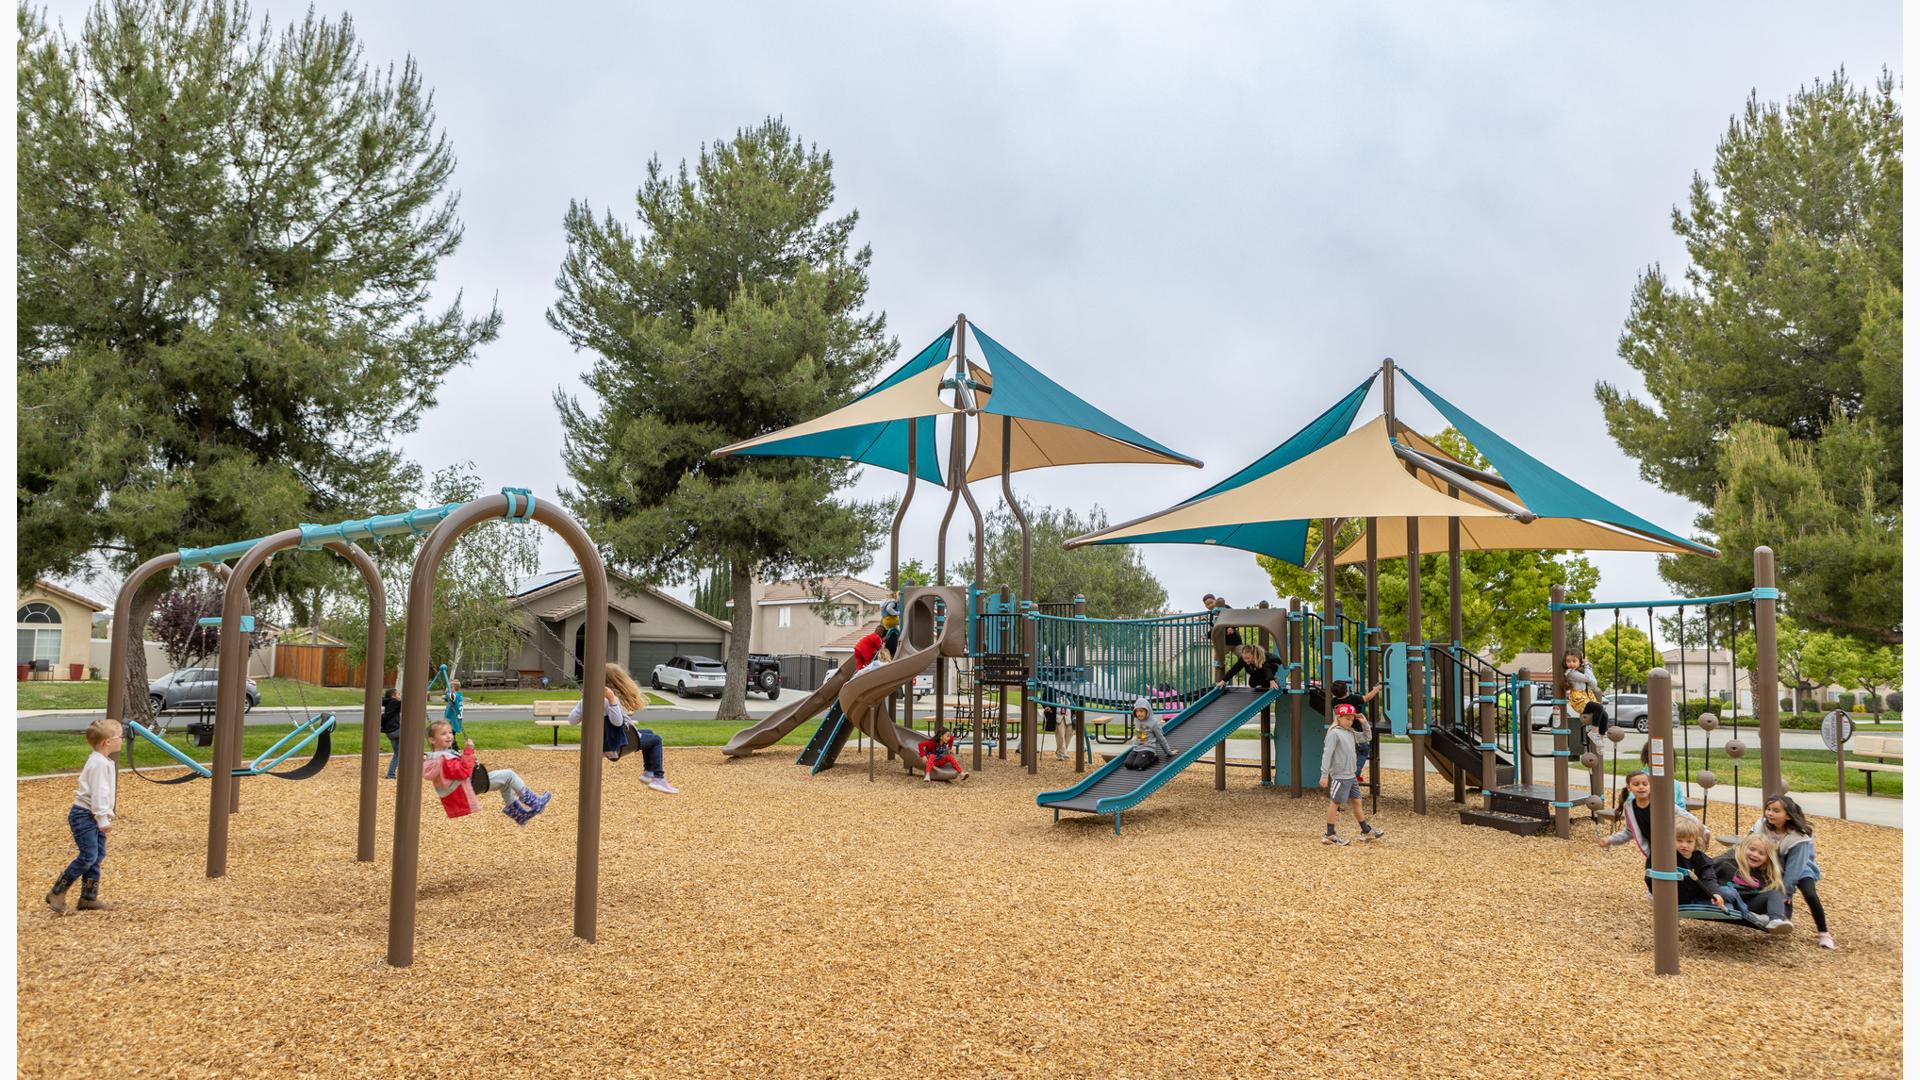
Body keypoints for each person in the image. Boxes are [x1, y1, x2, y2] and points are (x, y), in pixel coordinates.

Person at [46, 719, 122, 913]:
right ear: (107, 742)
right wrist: (102, 818)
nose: (122, 740)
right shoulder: (98, 765)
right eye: (119, 737)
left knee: (97, 855)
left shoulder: (103, 761)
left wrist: (104, 815)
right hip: (85, 815)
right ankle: (57, 892)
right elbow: (98, 794)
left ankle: (88, 898)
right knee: (88, 856)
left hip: (92, 814)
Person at [568, 663, 676, 793]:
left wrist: (582, 703)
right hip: (614, 746)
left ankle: (648, 773)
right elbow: (617, 723)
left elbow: (572, 720)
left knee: (649, 733)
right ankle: (658, 777)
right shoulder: (609, 699)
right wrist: (613, 700)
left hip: (603, 743)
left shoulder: (589, 698)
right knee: (656, 740)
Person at [423, 719, 551, 824]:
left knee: (505, 783)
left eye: (450, 732)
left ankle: (518, 814)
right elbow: (463, 771)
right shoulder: (443, 759)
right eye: (443, 734)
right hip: (466, 786)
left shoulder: (436, 756)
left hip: (465, 786)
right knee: (509, 775)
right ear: (432, 740)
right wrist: (468, 751)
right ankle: (534, 801)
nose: (449, 736)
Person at [1752, 794, 1833, 949]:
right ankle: (1781, 919)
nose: (1770, 813)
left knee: (1809, 894)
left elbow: (1794, 869)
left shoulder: (1798, 837)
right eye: (1768, 809)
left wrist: (1787, 892)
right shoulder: (1762, 825)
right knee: (1771, 889)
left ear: (1788, 815)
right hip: (1773, 864)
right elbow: (1750, 843)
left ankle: (1824, 933)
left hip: (1801, 867)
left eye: (1776, 811)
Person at [1598, 768, 1697, 865]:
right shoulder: (1630, 808)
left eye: (1645, 784)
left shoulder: (1661, 803)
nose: (1641, 787)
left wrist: (1704, 830)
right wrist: (1610, 840)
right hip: (1654, 851)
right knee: (1650, 878)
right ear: (1629, 788)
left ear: (1650, 786)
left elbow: (1685, 815)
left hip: (1675, 848)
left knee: (1682, 877)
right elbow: (1629, 831)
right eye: (1636, 784)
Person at [1319, 704, 1380, 844]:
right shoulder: (1334, 733)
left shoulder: (1350, 732)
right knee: (1335, 802)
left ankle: (1366, 831)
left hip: (1351, 775)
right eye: (1347, 718)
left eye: (1352, 719)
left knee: (1357, 802)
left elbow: (1366, 738)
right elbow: (1327, 755)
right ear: (1339, 718)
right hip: (1340, 775)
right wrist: (1324, 775)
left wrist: (1364, 724)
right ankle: (1329, 835)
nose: (1350, 721)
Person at [1713, 833, 1793, 933]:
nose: (1755, 855)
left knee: (1775, 893)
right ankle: (1756, 916)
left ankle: (1775, 920)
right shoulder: (1727, 863)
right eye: (1752, 849)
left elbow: (1780, 898)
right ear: (1743, 848)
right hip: (1727, 901)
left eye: (1761, 853)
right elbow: (1706, 874)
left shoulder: (1766, 874)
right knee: (1726, 891)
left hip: (1750, 905)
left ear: (1767, 859)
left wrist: (1786, 916)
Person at [1329, 681, 1382, 777]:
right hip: (1357, 730)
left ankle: (1348, 770)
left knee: (1349, 752)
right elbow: (1367, 698)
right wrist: (1376, 689)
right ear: (1346, 690)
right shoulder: (1354, 698)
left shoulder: (1334, 702)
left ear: (1333, 693)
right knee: (1363, 750)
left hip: (1343, 731)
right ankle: (1356, 769)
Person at [1561, 652, 1608, 749]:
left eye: (1574, 661)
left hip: (1586, 697)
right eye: (1568, 661)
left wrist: (1587, 668)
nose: (1571, 663)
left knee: (1604, 714)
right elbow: (1588, 679)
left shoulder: (1581, 672)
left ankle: (1601, 740)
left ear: (1579, 662)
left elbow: (1594, 684)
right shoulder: (1570, 673)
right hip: (1579, 699)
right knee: (1599, 707)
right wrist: (1587, 666)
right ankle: (1594, 733)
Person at [1218, 642, 1283, 691]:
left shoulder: (1262, 657)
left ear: (1254, 655)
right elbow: (1234, 669)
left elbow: (1267, 669)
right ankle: (1265, 681)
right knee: (1252, 683)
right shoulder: (1243, 660)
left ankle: (1274, 680)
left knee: (1266, 678)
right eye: (1244, 658)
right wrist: (1223, 680)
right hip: (1258, 670)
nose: (1246, 660)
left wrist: (1271, 680)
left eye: (1248, 658)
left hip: (1271, 667)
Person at [380, 688, 404, 780]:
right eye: (398, 694)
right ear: (393, 696)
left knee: (397, 754)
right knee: (413, 736)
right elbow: (405, 703)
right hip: (396, 730)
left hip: (390, 733)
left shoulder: (388, 703)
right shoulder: (394, 702)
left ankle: (391, 774)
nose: (399, 696)